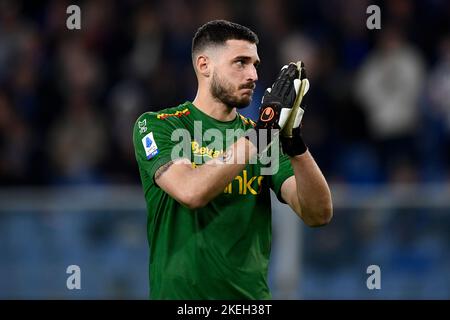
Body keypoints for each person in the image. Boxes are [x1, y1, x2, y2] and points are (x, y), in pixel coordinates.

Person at [132, 20, 332, 299]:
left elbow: (318, 214)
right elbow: (191, 191)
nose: (252, 75)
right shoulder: (159, 126)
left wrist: (293, 142)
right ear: (204, 65)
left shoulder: (261, 138)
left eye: (255, 65)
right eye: (240, 62)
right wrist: (262, 135)